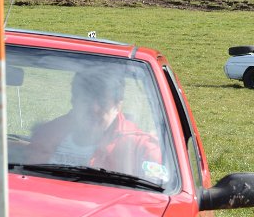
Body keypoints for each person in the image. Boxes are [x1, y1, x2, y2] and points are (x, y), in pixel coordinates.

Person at [20, 70, 164, 180]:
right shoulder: (46, 134)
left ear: (118, 106)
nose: (94, 109)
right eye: (86, 100)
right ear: (73, 100)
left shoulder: (142, 149)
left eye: (102, 102)